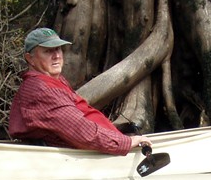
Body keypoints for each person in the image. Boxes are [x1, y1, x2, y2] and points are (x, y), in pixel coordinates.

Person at [8, 27, 152, 155]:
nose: (56, 56)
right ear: (30, 59)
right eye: (48, 51)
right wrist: (125, 143)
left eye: (58, 49)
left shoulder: (55, 81)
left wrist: (121, 137)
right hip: (68, 154)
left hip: (93, 147)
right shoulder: (40, 89)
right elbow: (80, 130)